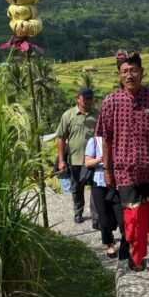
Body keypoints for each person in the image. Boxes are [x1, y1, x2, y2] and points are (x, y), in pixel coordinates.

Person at [96, 50, 149, 272]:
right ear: (119, 75)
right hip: (124, 169)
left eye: (134, 71)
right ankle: (136, 257)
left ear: (142, 72)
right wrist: (107, 170)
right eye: (125, 72)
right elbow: (106, 139)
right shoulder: (110, 102)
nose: (130, 76)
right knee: (133, 216)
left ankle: (145, 240)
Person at [56, 86, 98, 225]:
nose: (88, 100)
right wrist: (61, 160)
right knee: (77, 189)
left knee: (95, 189)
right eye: (86, 98)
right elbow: (60, 138)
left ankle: (96, 217)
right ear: (78, 98)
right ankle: (78, 212)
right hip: (75, 160)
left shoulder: (97, 114)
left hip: (94, 161)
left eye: (90, 98)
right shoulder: (68, 115)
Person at [85, 136, 129, 260]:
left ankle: (126, 246)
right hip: (99, 184)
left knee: (121, 216)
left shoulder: (119, 138)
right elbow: (87, 162)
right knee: (103, 217)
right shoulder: (93, 141)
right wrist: (100, 159)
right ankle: (109, 244)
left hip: (116, 184)